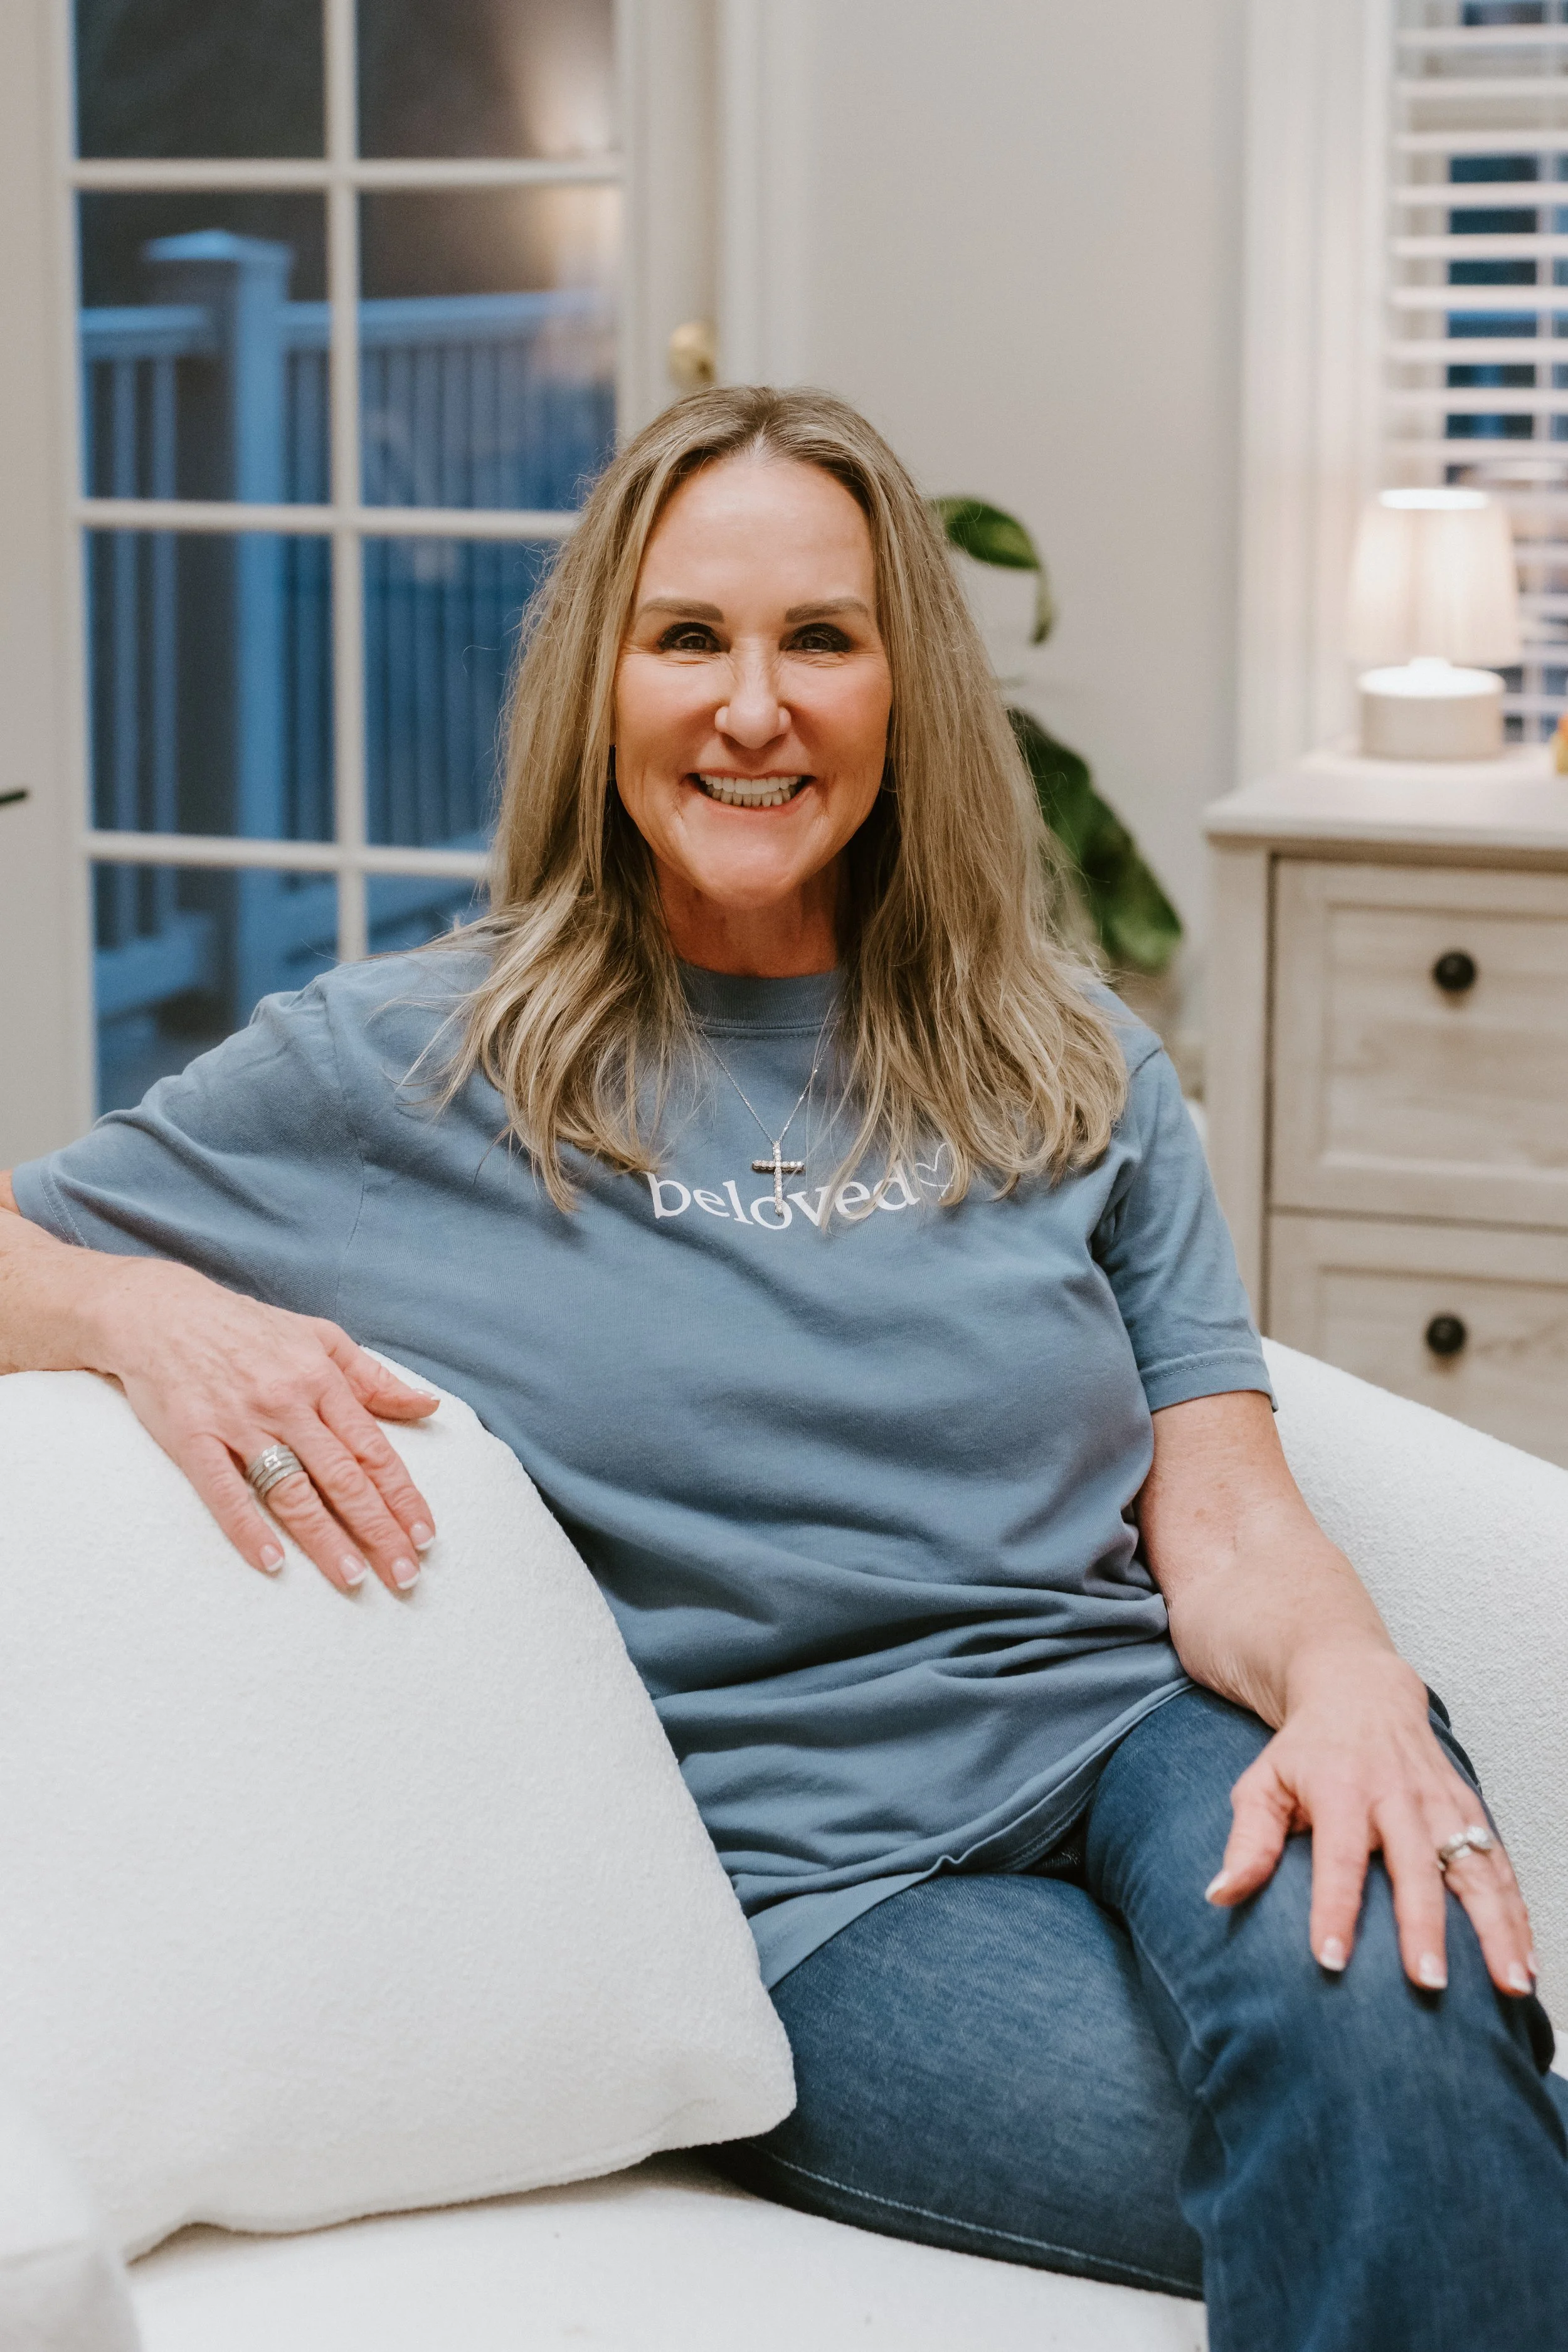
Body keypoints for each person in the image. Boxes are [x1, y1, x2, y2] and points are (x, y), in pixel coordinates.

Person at [1, 386, 1564, 2348]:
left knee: (1388, 2019)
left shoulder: (1070, 1058)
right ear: (601, 687)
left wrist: (1348, 1685)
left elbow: (1225, 1502)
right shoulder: (404, 1066)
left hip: (1145, 1740)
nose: (755, 707)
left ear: (902, 686)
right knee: (1417, 2132)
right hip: (824, 1896)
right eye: (689, 640)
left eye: (820, 637)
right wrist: (128, 1309)